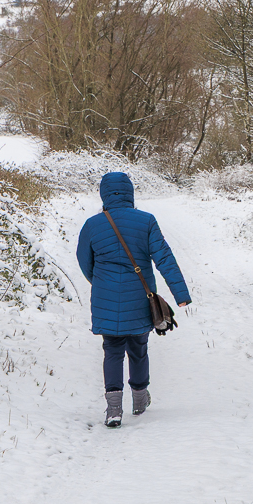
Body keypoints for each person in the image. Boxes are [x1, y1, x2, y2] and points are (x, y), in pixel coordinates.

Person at [76, 172, 191, 428]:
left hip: (105, 298)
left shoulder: (92, 225)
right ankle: (139, 399)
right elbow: (164, 259)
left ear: (104, 194)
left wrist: (101, 282)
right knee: (139, 349)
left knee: (112, 350)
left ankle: (113, 409)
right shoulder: (146, 221)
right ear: (130, 193)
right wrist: (180, 295)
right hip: (140, 298)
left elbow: (85, 263)